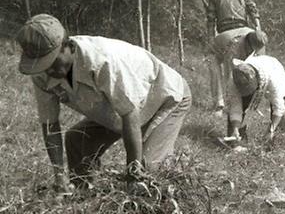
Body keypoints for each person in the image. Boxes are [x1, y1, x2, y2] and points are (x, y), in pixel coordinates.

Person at [16, 14, 191, 192]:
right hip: (119, 108)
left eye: (53, 62)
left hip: (164, 97)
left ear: (68, 46)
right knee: (77, 141)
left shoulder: (101, 60)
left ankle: (175, 188)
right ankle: (83, 196)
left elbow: (129, 113)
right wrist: (59, 177)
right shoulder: (41, 74)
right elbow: (50, 124)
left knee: (148, 171)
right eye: (43, 66)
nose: (50, 70)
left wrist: (134, 174)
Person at [206, 0, 261, 113]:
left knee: (212, 59)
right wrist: (258, 31)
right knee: (252, 65)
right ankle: (253, 100)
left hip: (225, 34)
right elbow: (254, 14)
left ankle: (219, 101)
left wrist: (211, 40)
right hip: (246, 32)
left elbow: (210, 20)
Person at [225, 56, 285, 149]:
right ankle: (237, 139)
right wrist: (235, 127)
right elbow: (235, 106)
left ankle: (278, 141)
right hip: (258, 73)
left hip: (274, 69)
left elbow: (279, 107)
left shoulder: (273, 79)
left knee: (277, 112)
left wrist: (271, 130)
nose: (245, 92)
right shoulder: (234, 80)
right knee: (243, 104)